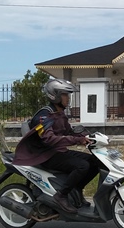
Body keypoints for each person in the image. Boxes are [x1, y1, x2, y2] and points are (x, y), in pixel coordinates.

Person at [13, 79, 98, 214]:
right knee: (82, 166)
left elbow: (69, 131)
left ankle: (76, 189)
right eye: (65, 95)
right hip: (44, 155)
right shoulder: (43, 117)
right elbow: (50, 139)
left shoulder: (59, 113)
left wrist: (88, 136)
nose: (68, 98)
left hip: (57, 152)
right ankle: (61, 196)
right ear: (55, 96)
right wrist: (76, 141)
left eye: (68, 95)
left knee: (95, 162)